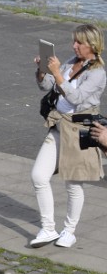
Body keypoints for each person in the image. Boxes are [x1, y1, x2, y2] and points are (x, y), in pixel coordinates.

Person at [30, 23, 106, 249]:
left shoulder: (98, 73)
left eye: (79, 42)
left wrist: (56, 74)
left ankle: (69, 231)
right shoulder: (70, 63)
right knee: (38, 176)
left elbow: (77, 98)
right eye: (74, 41)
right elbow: (47, 86)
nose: (74, 46)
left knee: (73, 184)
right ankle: (48, 228)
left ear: (91, 45)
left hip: (78, 130)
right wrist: (43, 70)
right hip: (58, 126)